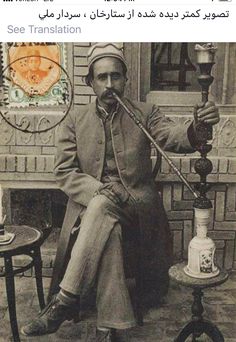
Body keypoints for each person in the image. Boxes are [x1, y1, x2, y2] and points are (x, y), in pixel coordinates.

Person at [21, 43, 219, 341]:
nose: (110, 84)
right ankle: (109, 327)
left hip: (138, 207)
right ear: (90, 82)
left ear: (126, 79)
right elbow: (64, 171)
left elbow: (174, 138)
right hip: (94, 209)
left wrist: (197, 125)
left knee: (103, 209)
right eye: (102, 77)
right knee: (107, 224)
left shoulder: (145, 112)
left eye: (116, 76)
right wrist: (98, 190)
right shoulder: (75, 120)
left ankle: (63, 302)